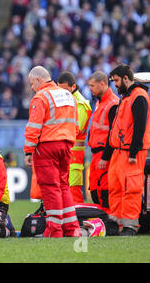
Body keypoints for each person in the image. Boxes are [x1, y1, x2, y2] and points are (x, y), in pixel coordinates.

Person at [24, 66, 80, 238]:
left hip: (47, 147)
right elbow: (76, 125)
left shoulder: (41, 97)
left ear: (39, 80)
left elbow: (34, 127)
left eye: (32, 83)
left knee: (50, 188)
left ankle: (54, 231)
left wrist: (28, 151)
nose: (32, 87)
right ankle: (72, 229)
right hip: (67, 146)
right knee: (64, 186)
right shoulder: (68, 95)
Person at [107, 64, 150, 236]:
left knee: (130, 188)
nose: (115, 85)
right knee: (116, 187)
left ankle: (130, 226)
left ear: (126, 78)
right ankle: (116, 223)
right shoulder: (127, 96)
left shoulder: (138, 96)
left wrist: (133, 152)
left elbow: (140, 127)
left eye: (117, 81)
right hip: (120, 151)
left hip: (131, 153)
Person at [57, 71, 92, 203]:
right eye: (59, 89)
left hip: (74, 156)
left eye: (65, 90)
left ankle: (78, 221)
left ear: (73, 87)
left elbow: (74, 130)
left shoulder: (80, 104)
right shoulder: (66, 100)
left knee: (73, 192)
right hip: (65, 154)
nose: (62, 93)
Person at [87, 71, 119, 212]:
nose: (90, 89)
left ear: (102, 84)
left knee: (104, 189)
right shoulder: (100, 102)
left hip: (103, 155)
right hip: (96, 154)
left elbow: (113, 134)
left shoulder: (112, 104)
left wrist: (105, 157)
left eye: (92, 85)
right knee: (94, 190)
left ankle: (109, 221)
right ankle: (102, 220)